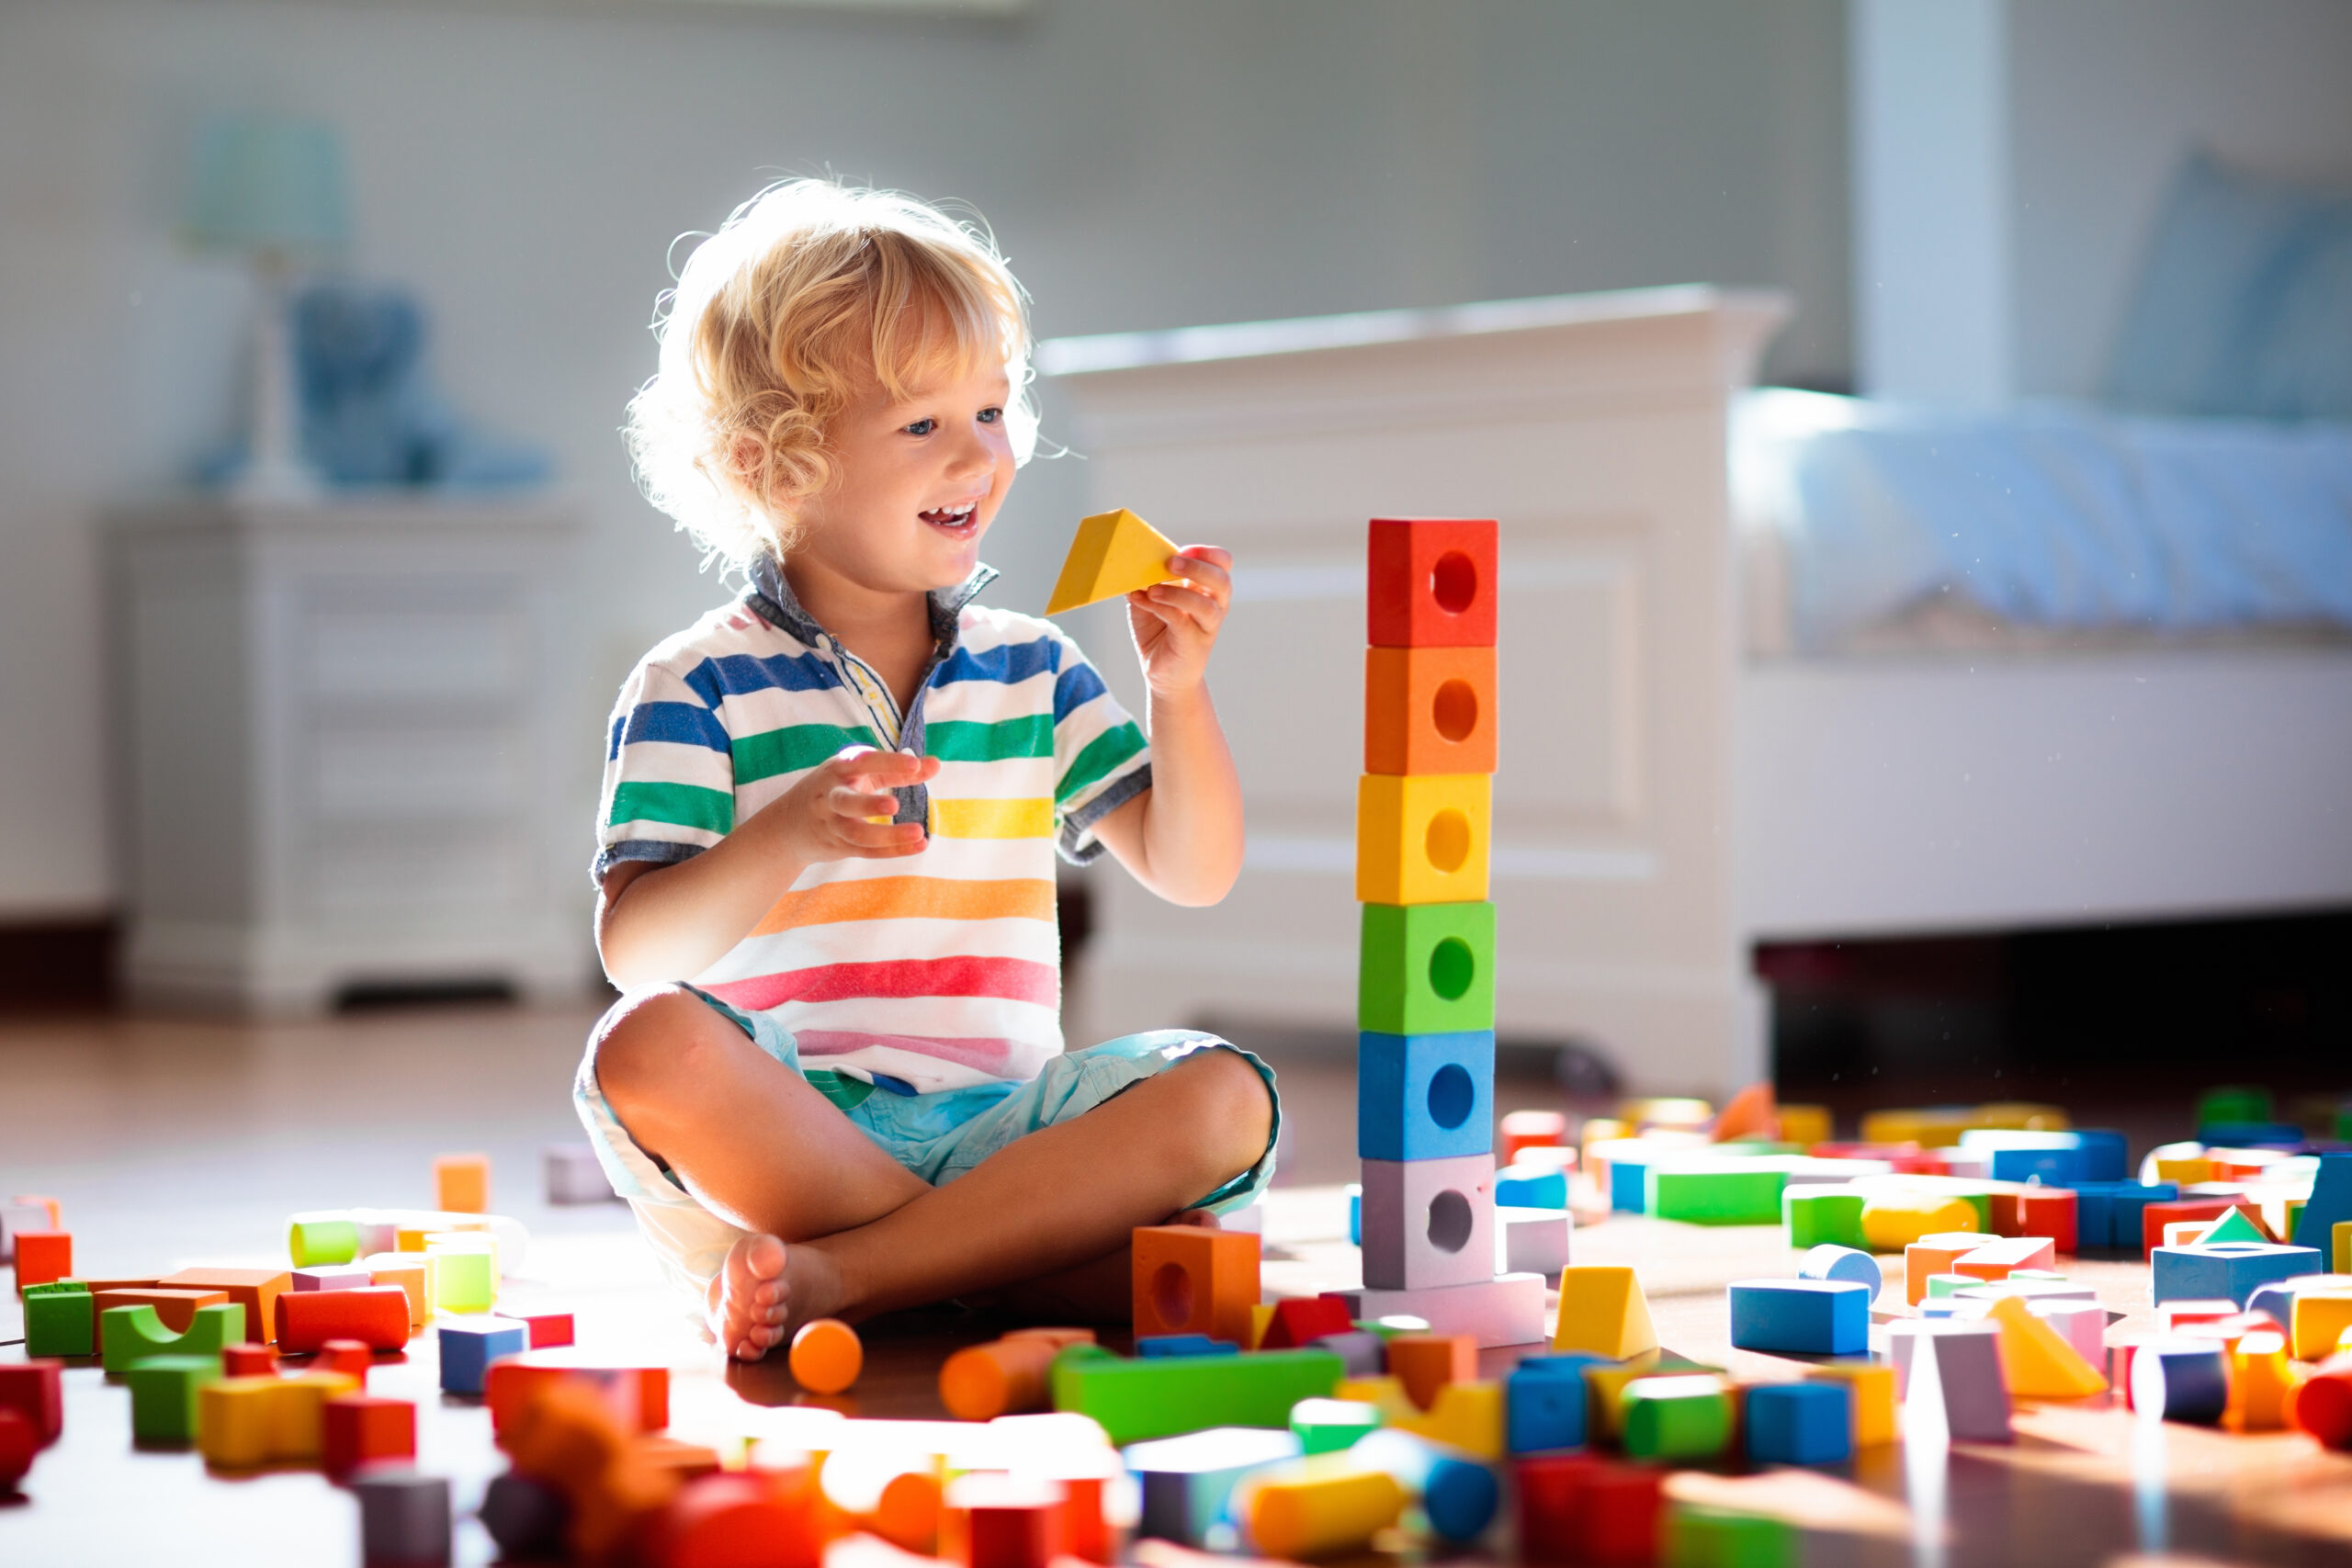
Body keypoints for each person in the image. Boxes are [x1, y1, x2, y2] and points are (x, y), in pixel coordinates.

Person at [577, 179, 1276, 1360]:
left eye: (994, 411)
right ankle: (998, 1261)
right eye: (922, 425)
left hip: (1010, 1128)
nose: (981, 456)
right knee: (643, 1049)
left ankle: (859, 1275)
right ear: (774, 465)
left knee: (1226, 1095)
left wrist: (1179, 692)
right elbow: (636, 954)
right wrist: (790, 831)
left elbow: (1193, 868)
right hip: (792, 1138)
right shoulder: (694, 683)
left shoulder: (1034, 669)